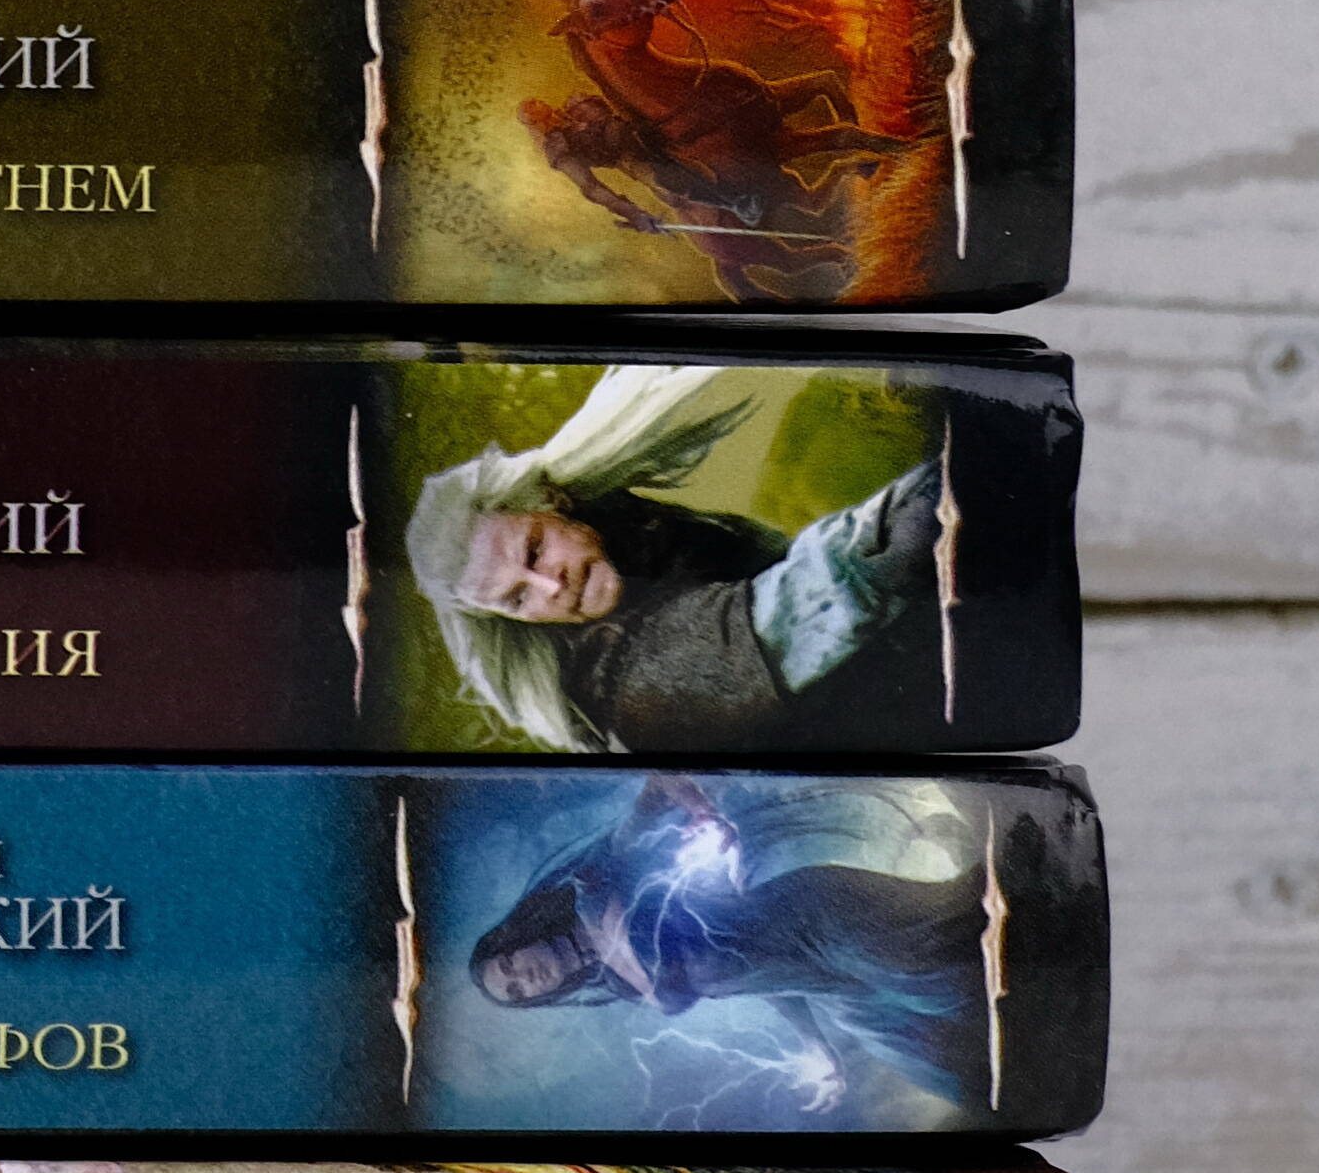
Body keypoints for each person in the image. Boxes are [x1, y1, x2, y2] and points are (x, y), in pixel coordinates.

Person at [400, 360, 945, 758]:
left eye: (535, 551)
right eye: (518, 598)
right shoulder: (639, 687)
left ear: (553, 503)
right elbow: (852, 576)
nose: (550, 587)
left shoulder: (629, 533)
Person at [465, 777, 992, 1097]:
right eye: (516, 991)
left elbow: (639, 823)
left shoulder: (593, 888)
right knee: (950, 1075)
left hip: (825, 923)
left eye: (509, 965)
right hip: (834, 987)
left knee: (958, 984)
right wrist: (816, 1047)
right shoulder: (617, 980)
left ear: (516, 938)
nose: (524, 977)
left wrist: (669, 793)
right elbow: (759, 981)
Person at [517, 0, 922, 301]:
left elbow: (615, 103)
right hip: (635, 158)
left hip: (638, 132)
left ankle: (881, 142)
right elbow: (592, 189)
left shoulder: (577, 109)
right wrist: (636, 214)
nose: (543, 112)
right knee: (667, 178)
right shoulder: (560, 149)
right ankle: (734, 201)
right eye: (535, 115)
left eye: (540, 107)